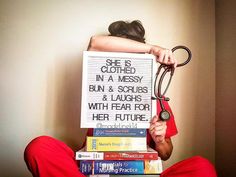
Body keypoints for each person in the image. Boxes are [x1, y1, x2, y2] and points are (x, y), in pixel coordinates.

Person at [24, 20, 217, 177]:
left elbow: (166, 154)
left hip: (140, 170)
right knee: (39, 147)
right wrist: (153, 49)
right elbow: (95, 43)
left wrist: (160, 141)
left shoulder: (156, 99)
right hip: (95, 169)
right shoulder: (100, 88)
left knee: (202, 167)